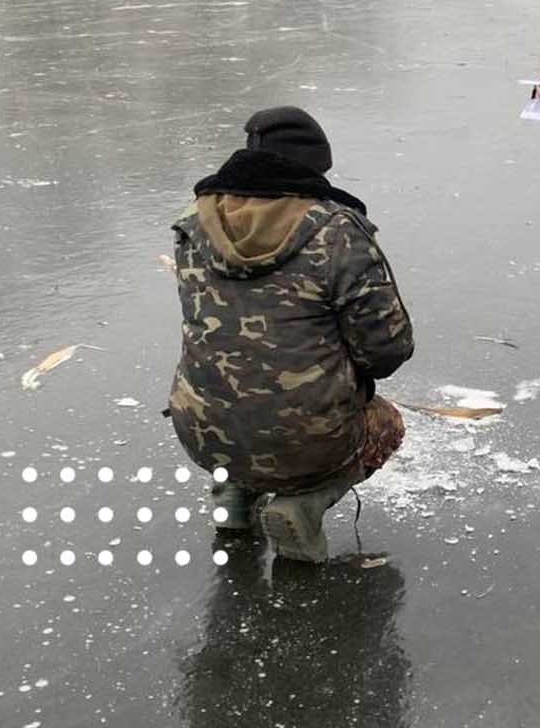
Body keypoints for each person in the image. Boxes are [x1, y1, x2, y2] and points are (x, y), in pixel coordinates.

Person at [167, 107, 415, 563]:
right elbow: (387, 347)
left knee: (241, 388)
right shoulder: (338, 230)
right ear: (315, 166)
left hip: (203, 430)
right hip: (306, 439)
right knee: (387, 424)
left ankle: (234, 500)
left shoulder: (193, 223)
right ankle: (302, 505)